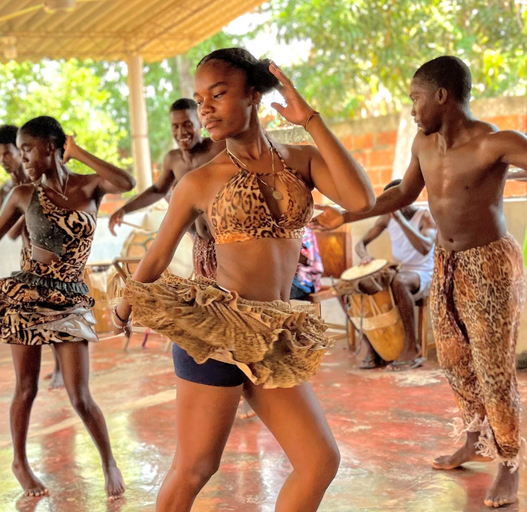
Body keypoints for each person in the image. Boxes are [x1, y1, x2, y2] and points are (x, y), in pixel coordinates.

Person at [114, 48, 374, 512]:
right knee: (195, 467)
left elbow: (359, 196)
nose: (206, 109)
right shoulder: (199, 180)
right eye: (200, 99)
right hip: (217, 331)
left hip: (274, 333)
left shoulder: (301, 159)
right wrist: (122, 309)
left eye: (218, 94)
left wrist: (309, 118)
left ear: (253, 94)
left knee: (319, 460)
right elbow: (156, 256)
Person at [311, 56, 527, 508]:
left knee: (494, 368)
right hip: (445, 262)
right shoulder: (423, 143)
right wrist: (349, 215)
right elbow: (404, 194)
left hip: (488, 264)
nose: (411, 107)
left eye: (415, 98)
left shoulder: (495, 143)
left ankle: (509, 461)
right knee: (453, 360)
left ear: (442, 96)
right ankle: (474, 439)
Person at [0, 117, 134, 500]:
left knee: (80, 396)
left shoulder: (88, 186)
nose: (22, 157)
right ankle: (19, 462)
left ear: (52, 147)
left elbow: (126, 182)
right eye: (19, 150)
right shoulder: (22, 194)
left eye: (28, 149)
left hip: (70, 296)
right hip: (29, 295)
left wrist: (79, 152)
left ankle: (108, 461)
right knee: (26, 388)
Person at [109, 98, 225, 279]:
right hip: (201, 247)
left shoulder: (217, 149)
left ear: (200, 124)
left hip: (227, 245)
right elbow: (157, 190)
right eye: (175, 126)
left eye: (187, 124)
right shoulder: (173, 160)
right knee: (208, 302)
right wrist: (124, 209)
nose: (181, 132)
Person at [0, 124, 64, 389]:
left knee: (59, 315)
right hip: (29, 260)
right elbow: (10, 234)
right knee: (39, 316)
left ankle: (61, 369)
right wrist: (23, 205)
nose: (3, 160)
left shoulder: (41, 178)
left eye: (8, 153)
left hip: (56, 259)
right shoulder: (5, 193)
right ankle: (53, 369)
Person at [349, 178, 437, 370]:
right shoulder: (387, 217)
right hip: (400, 271)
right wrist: (365, 257)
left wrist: (400, 219)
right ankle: (373, 348)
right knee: (355, 286)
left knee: (399, 283)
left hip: (422, 274)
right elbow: (360, 244)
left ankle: (412, 349)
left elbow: (424, 247)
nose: (393, 206)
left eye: (397, 200)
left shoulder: (425, 216)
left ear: (408, 198)